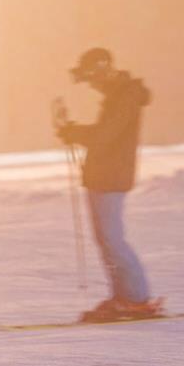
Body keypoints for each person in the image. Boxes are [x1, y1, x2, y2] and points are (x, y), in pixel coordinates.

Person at [56, 47, 160, 322]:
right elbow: (106, 134)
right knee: (106, 240)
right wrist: (74, 131)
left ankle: (136, 298)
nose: (92, 85)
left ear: (103, 71)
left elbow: (106, 135)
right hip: (104, 174)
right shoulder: (119, 96)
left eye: (92, 79)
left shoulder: (125, 96)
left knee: (112, 239)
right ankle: (123, 297)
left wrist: (73, 132)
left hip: (110, 176)